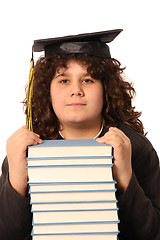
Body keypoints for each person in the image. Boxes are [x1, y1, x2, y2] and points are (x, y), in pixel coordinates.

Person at [0, 29, 160, 240]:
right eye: (63, 81)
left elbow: (153, 234)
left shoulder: (134, 147)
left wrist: (125, 179)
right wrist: (17, 180)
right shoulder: (24, 151)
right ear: (46, 90)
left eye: (88, 80)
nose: (76, 90)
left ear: (106, 89)